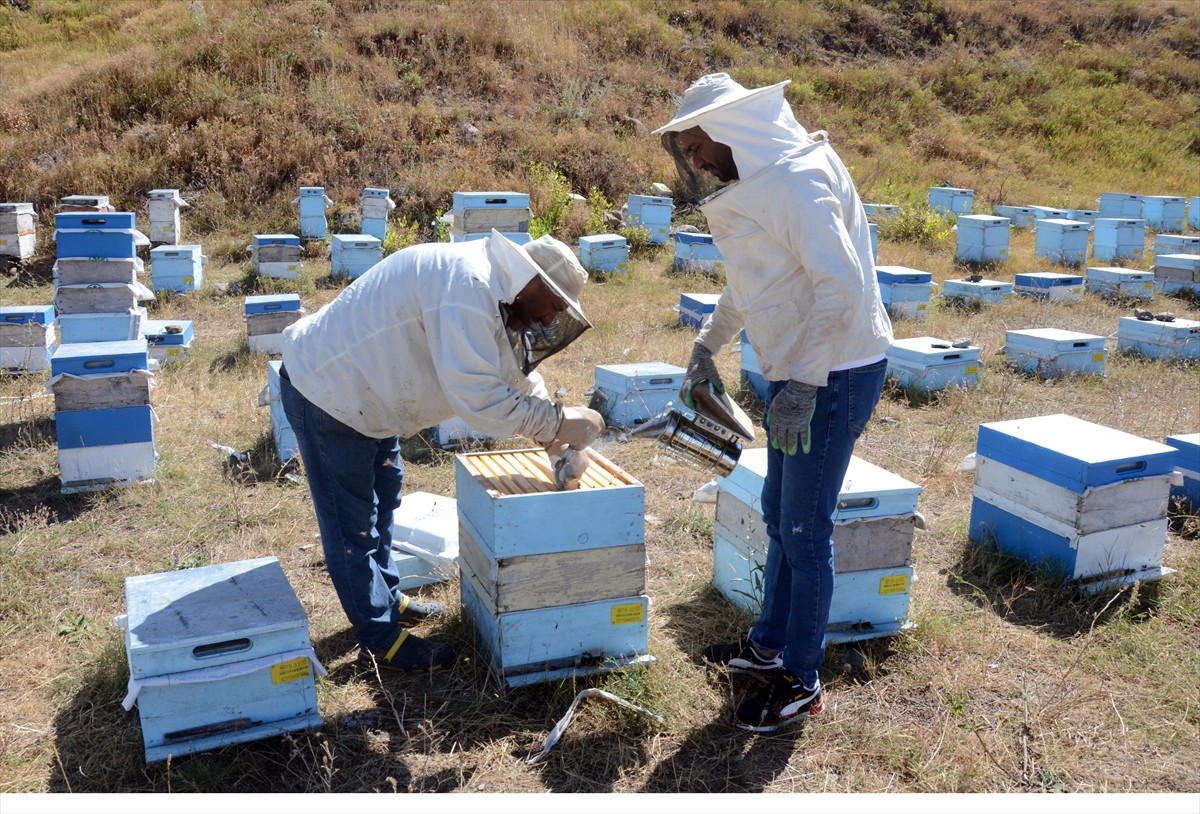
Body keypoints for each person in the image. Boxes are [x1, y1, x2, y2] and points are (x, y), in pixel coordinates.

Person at [654, 73, 893, 732]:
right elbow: (755, 280)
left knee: (806, 532)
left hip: (835, 372)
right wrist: (709, 345)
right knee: (778, 514)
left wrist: (808, 384)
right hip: (805, 373)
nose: (696, 160)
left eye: (699, 144)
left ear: (732, 130)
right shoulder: (767, 180)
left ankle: (802, 678)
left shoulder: (801, 179)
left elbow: (840, 285)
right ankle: (768, 647)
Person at [279, 230, 605, 673]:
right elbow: (480, 398)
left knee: (384, 497)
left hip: (369, 397)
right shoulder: (468, 287)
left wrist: (554, 439)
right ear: (533, 283)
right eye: (554, 305)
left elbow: (514, 377)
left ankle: (389, 600)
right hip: (330, 392)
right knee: (351, 526)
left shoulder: (498, 293)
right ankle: (383, 642)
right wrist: (559, 422)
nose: (552, 319)